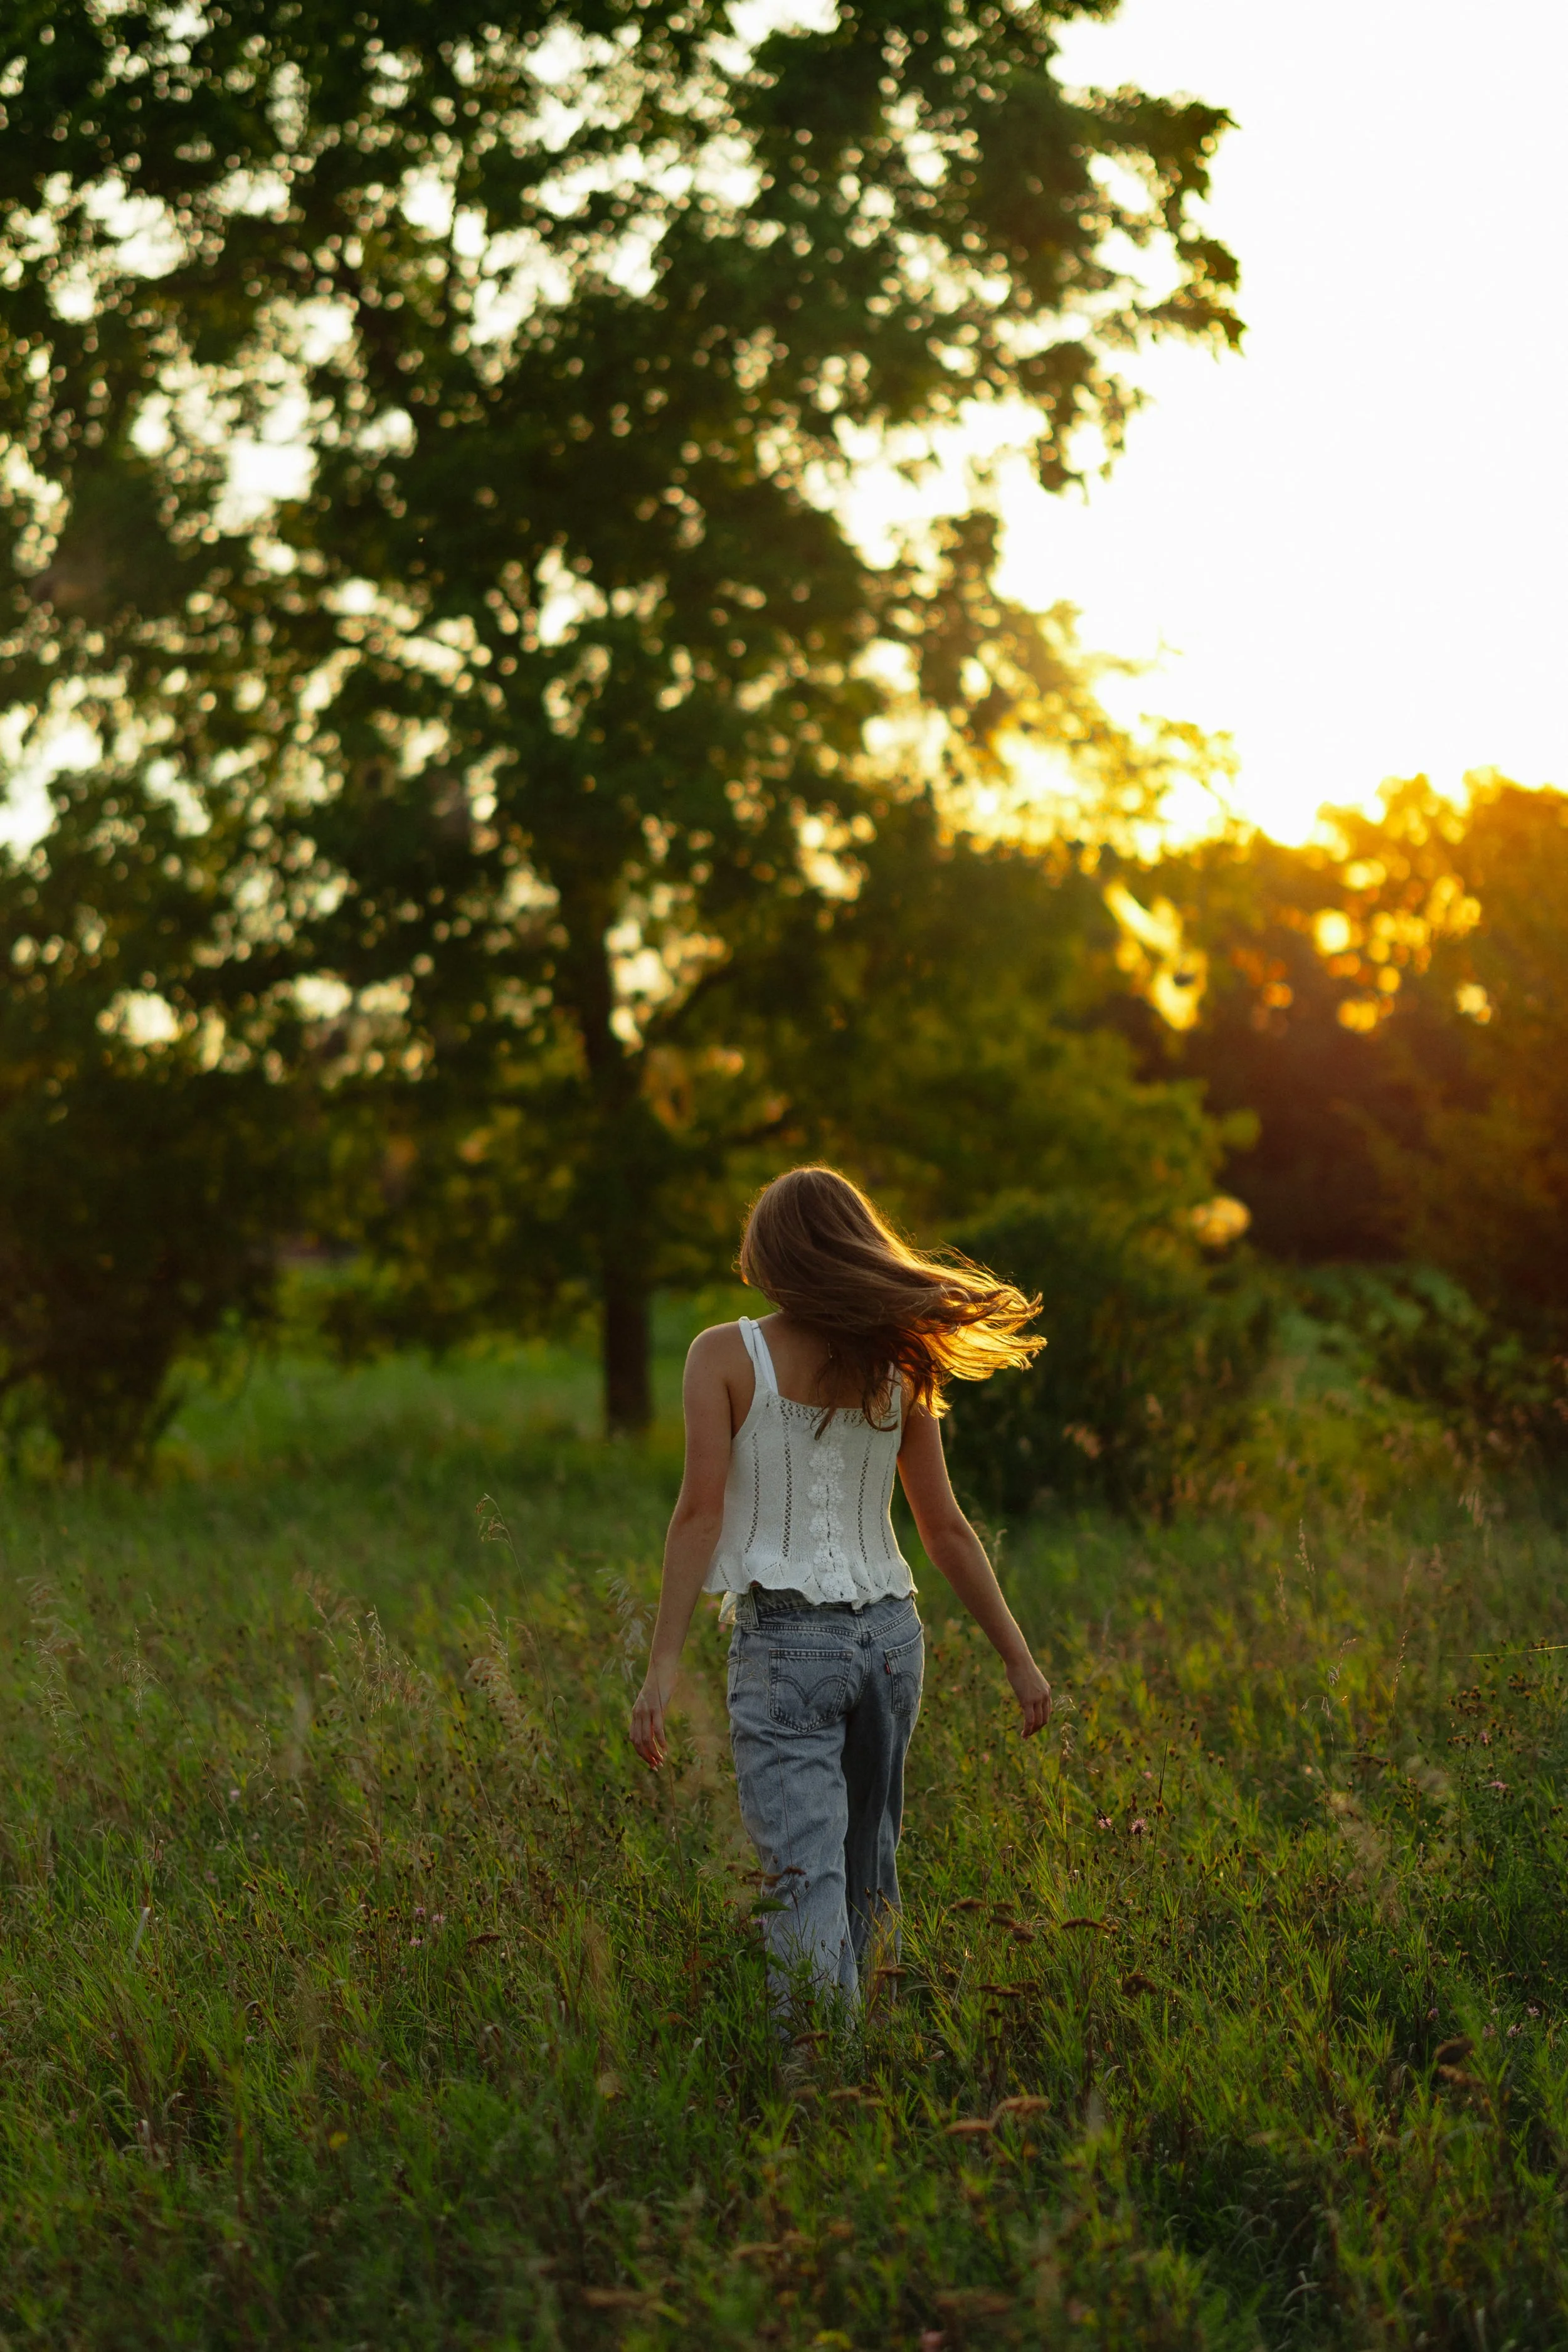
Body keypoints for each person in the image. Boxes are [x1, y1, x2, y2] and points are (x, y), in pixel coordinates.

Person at [629, 1165, 1052, 2015]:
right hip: (892, 1642)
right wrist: (1020, 1659)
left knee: (802, 1881)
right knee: (870, 1867)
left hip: (787, 1647)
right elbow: (945, 1529)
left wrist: (661, 1666)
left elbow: (697, 1516)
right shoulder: (900, 1359)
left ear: (772, 1253)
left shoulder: (723, 1354)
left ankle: (824, 2074)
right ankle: (881, 2058)